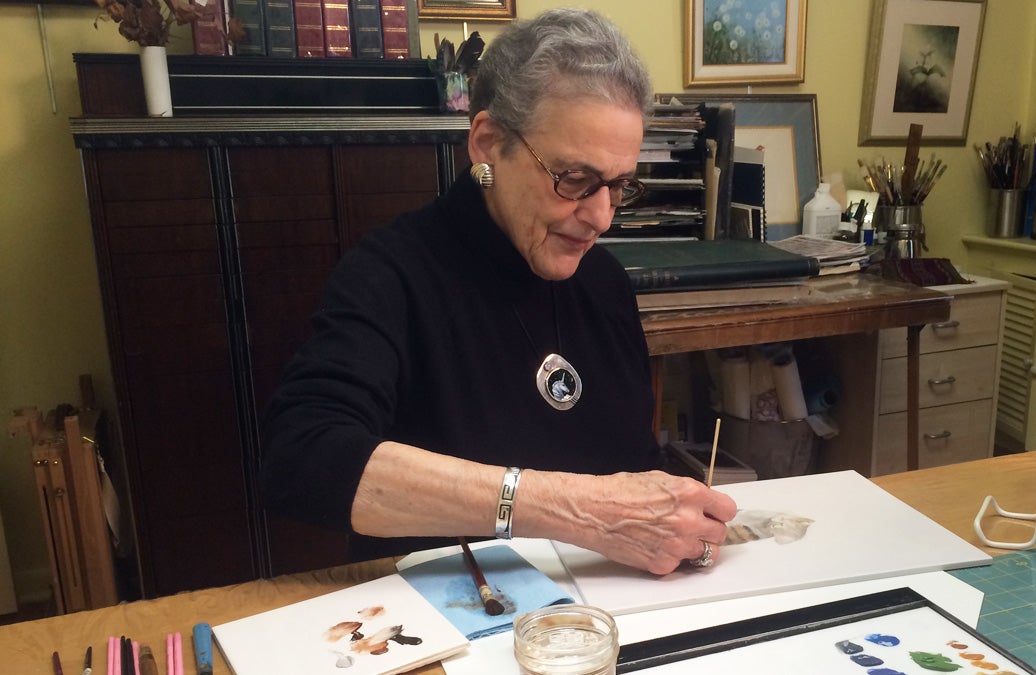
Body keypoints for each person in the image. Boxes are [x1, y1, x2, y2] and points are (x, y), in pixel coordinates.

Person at [260, 8, 737, 576]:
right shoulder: (390, 275)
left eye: (618, 185)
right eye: (575, 180)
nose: (602, 217)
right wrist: (573, 510)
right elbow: (302, 458)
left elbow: (631, 460)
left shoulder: (603, 282)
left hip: (602, 617)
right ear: (488, 144)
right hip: (450, 625)